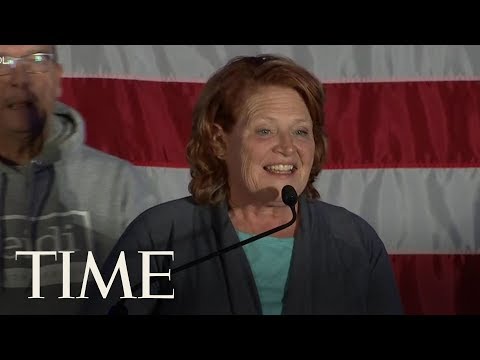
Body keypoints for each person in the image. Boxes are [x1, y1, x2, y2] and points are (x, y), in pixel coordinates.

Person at [82, 54, 404, 315]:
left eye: (301, 132)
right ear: (220, 142)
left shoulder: (356, 242)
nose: (287, 147)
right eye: (265, 131)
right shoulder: (159, 235)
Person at [0, 45, 159, 314]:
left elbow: (151, 297)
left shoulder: (117, 182)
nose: (20, 78)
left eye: (38, 59)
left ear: (57, 78)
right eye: (2, 61)